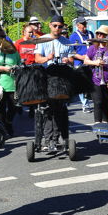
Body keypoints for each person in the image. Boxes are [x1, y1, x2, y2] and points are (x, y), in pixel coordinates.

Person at [34, 15, 77, 152]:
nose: (57, 28)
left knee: (60, 109)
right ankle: (48, 140)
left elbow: (72, 60)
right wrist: (47, 58)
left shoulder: (67, 42)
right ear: (50, 25)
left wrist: (68, 61)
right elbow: (37, 59)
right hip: (48, 78)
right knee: (47, 110)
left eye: (60, 26)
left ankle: (57, 138)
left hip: (62, 79)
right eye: (55, 26)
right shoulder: (43, 40)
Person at [84, 24, 108, 124]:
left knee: (106, 102)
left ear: (107, 36)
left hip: (107, 79)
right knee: (98, 102)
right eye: (98, 34)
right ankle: (97, 124)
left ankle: (105, 123)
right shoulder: (93, 48)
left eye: (102, 34)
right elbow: (86, 61)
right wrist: (95, 63)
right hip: (95, 79)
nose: (99, 36)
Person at [69, 17, 93, 112]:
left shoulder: (90, 34)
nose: (84, 26)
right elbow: (71, 51)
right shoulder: (73, 36)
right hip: (80, 63)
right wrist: (82, 57)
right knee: (82, 83)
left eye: (85, 24)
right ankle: (85, 105)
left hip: (91, 62)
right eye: (82, 24)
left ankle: (91, 100)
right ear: (77, 25)